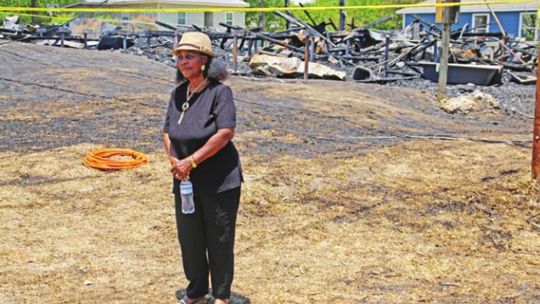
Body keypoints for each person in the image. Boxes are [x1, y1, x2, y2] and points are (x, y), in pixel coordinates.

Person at [162, 32, 243, 304]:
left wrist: (192, 160)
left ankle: (221, 295)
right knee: (190, 237)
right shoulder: (178, 93)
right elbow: (167, 131)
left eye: (190, 56)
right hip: (185, 179)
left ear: (205, 61)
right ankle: (196, 290)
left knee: (218, 238)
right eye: (180, 57)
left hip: (219, 180)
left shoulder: (220, 93)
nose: (184, 62)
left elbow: (225, 133)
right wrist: (175, 160)